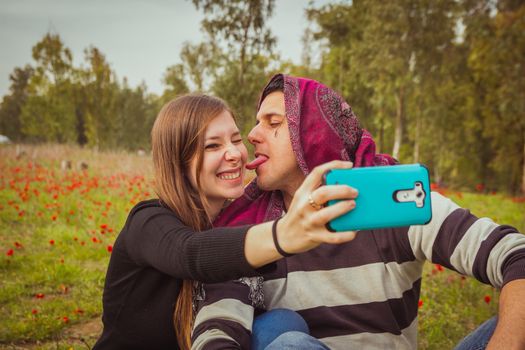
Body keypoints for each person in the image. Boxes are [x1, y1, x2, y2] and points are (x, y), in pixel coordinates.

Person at [191, 74, 525, 349]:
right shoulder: (251, 231)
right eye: (256, 123)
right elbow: (217, 329)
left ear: (312, 133)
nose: (251, 136)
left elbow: (515, 256)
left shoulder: (396, 201)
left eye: (273, 122)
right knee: (289, 343)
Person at [93, 94, 360, 350]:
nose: (234, 154)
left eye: (235, 140)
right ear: (178, 161)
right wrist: (284, 234)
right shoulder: (148, 222)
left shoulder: (238, 220)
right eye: (213, 146)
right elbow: (190, 253)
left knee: (282, 322)